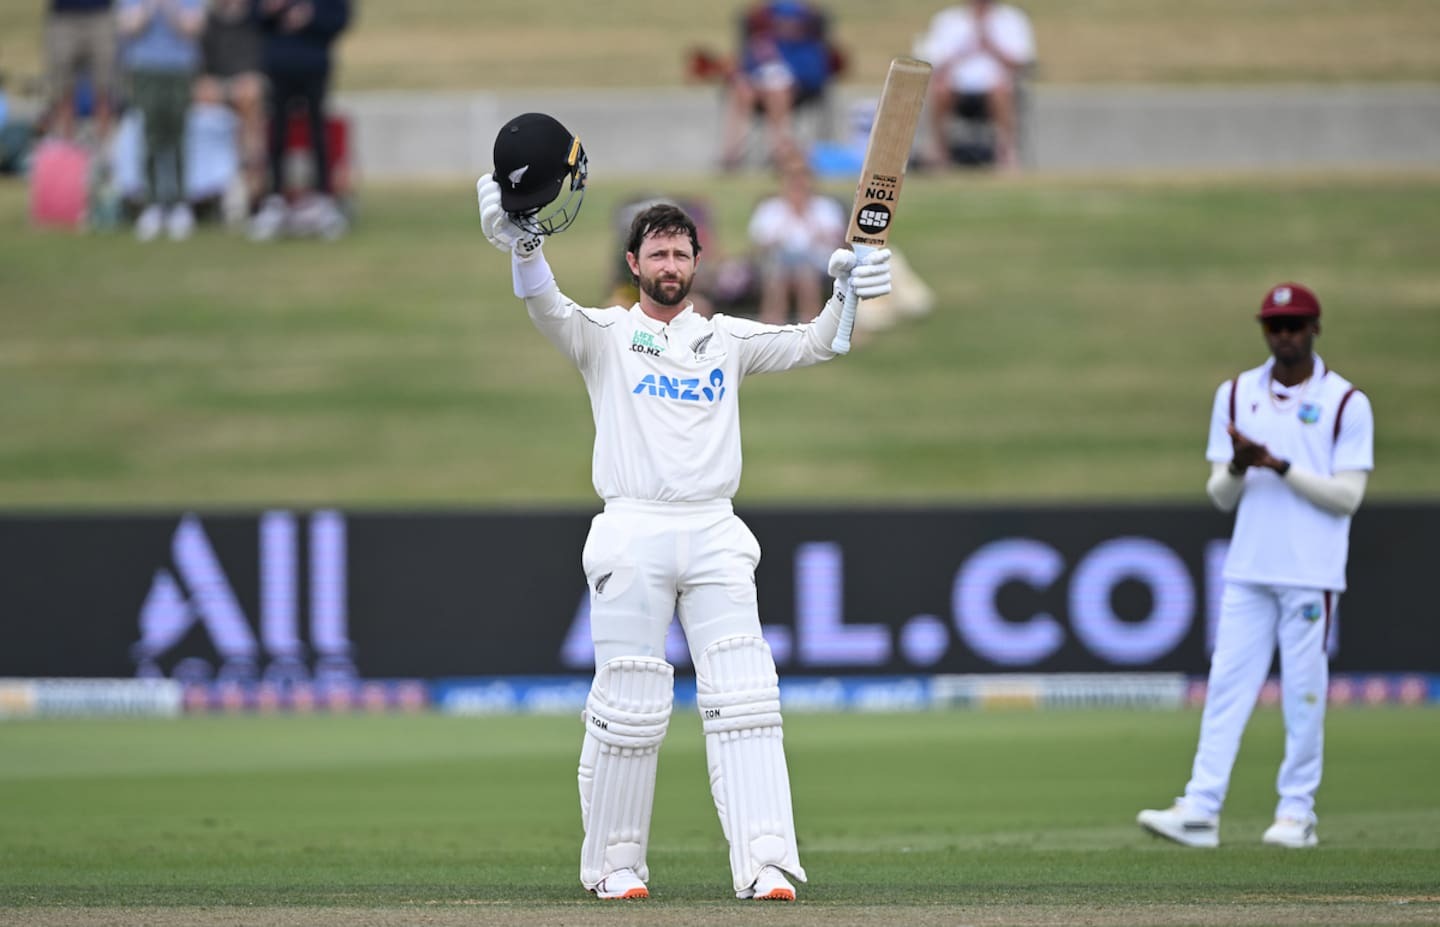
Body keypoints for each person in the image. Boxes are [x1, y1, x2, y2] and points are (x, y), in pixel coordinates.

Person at [474, 112, 891, 902]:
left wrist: (848, 287)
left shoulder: (725, 339)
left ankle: (766, 861)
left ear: (699, 262)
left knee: (746, 698)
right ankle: (615, 865)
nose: (670, 263)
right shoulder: (605, 334)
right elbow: (544, 304)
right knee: (629, 703)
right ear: (634, 263)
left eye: (681, 252)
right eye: (657, 252)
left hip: (714, 528)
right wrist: (524, 244)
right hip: (632, 527)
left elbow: (817, 342)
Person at [1138, 282, 1374, 850]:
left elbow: (1347, 498)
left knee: (1303, 693)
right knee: (1225, 686)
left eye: (1294, 325)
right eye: (1274, 326)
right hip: (1248, 567)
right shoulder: (1236, 393)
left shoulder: (1346, 401)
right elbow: (1220, 496)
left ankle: (1296, 812)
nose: (1284, 335)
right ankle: (1201, 808)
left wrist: (1280, 465)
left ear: (1315, 328)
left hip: (1310, 572)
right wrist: (1243, 466)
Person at [249, 0, 350, 241]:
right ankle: (274, 201)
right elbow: (254, 18)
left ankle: (324, 199)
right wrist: (270, 10)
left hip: (314, 64)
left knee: (319, 133)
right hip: (279, 65)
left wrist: (310, 17)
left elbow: (340, 18)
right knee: (276, 134)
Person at [117, 0, 207, 241]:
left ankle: (179, 203)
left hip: (179, 68)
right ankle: (152, 203)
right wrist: (149, 8)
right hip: (145, 68)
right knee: (150, 136)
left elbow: (193, 28)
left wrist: (170, 8)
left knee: (178, 135)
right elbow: (128, 26)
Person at [719, 1, 837, 170]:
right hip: (758, 91)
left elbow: (814, 76)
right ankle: (732, 154)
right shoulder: (764, 43)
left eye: (792, 22)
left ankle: (779, 152)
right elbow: (747, 68)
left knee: (777, 93)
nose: (787, 26)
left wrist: (787, 80)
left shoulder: (809, 47)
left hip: (796, 92)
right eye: (781, 21)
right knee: (741, 89)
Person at [918, 0, 1035, 171]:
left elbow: (1020, 63)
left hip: (995, 89)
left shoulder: (1012, 19)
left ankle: (1006, 153)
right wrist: (962, 50)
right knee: (939, 89)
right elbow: (933, 62)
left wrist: (991, 45)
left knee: (1002, 89)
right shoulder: (947, 20)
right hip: (956, 88)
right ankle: (939, 152)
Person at [746, 147, 846, 324]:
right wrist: (788, 216)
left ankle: (811, 325)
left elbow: (837, 241)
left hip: (816, 262)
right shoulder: (770, 208)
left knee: (804, 272)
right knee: (778, 271)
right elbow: (760, 243)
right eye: (792, 176)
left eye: (802, 175)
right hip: (778, 262)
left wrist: (807, 216)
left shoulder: (826, 207)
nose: (798, 182)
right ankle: (772, 326)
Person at [194, 0, 266, 205]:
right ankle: (206, 187)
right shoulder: (209, 22)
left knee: (248, 94)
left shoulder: (256, 19)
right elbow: (202, 69)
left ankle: (251, 186)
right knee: (204, 94)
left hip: (249, 85)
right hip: (218, 85)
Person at [42, 0, 118, 143]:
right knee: (62, 88)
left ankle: (105, 146)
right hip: (63, 15)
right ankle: (66, 146)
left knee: (105, 86)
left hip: (101, 13)